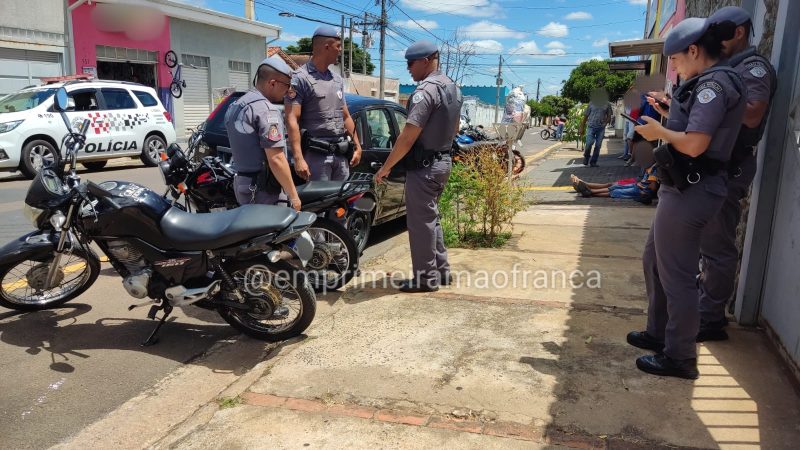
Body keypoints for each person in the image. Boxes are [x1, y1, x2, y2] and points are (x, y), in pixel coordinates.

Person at [627, 17, 745, 379]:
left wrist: (660, 130)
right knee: (655, 261)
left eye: (675, 59)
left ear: (694, 50)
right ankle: (659, 331)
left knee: (676, 275)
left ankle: (679, 356)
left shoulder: (714, 85)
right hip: (683, 187)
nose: (673, 67)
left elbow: (696, 142)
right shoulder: (704, 84)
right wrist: (668, 114)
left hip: (693, 189)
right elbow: (694, 128)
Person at [697, 6, 776, 341]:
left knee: (717, 245)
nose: (714, 42)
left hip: (730, 167)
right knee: (705, 244)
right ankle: (703, 307)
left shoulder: (752, 67)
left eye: (720, 34)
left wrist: (716, 97)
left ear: (739, 32)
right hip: (713, 166)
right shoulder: (728, 68)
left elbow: (754, 113)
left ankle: (711, 318)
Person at [374, 40, 463, 293]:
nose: (408, 69)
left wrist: (386, 167)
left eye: (410, 63)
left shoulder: (426, 91)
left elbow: (408, 135)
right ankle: (441, 271)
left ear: (426, 60)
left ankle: (425, 279)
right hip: (443, 161)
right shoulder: (453, 88)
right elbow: (455, 129)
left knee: (420, 223)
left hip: (425, 166)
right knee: (431, 218)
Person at [285, 25, 362, 182]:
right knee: (320, 204)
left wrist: (358, 146)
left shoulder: (337, 79)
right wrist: (298, 158)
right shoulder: (299, 78)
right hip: (316, 157)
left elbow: (345, 115)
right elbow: (292, 119)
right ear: (326, 47)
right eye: (338, 46)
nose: (340, 50)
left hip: (340, 155)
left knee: (342, 203)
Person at [224, 56, 301, 210]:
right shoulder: (266, 110)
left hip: (244, 184)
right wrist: (293, 195)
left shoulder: (236, 105)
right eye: (286, 85)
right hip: (264, 191)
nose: (287, 91)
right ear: (272, 83)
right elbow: (277, 158)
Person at [572, 163, 659, 203]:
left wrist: (643, 189)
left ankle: (587, 188)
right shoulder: (652, 167)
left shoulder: (654, 169)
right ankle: (586, 187)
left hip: (638, 186)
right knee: (613, 187)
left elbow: (653, 186)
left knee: (614, 189)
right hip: (637, 184)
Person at [580, 90, 613, 167]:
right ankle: (586, 156)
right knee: (589, 143)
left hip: (601, 128)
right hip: (591, 127)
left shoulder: (607, 104)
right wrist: (582, 127)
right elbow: (585, 116)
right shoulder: (591, 103)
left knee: (598, 145)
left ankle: (593, 161)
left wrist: (605, 124)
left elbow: (609, 116)